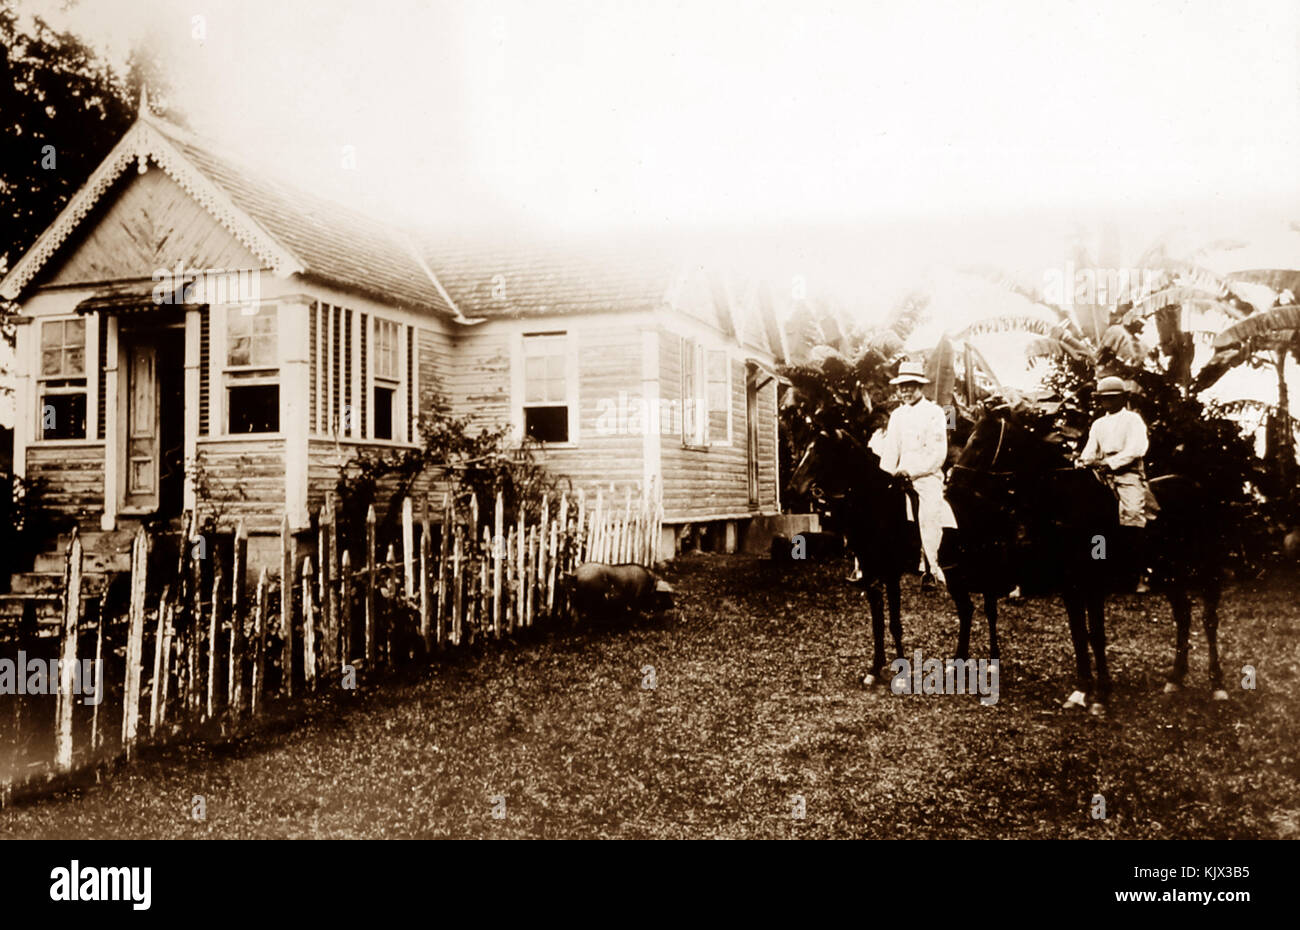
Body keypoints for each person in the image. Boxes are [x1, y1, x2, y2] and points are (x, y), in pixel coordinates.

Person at [873, 360, 957, 586]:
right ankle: (869, 565)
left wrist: (912, 472)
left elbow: (938, 454)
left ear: (920, 386)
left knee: (928, 515)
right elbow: (890, 452)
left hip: (926, 476)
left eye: (910, 385)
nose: (906, 390)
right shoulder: (897, 416)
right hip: (898, 475)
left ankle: (933, 567)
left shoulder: (936, 413)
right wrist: (885, 476)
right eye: (902, 386)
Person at [1078, 376, 1155, 590]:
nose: (1108, 403)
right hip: (1102, 473)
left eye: (1113, 398)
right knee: (1092, 520)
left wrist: (1110, 464)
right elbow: (1090, 449)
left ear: (1123, 398)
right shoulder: (1098, 423)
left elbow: (1136, 449)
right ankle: (1099, 567)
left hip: (1127, 472)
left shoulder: (1133, 420)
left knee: (1132, 514)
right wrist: (1083, 461)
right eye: (1104, 399)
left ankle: (1142, 572)